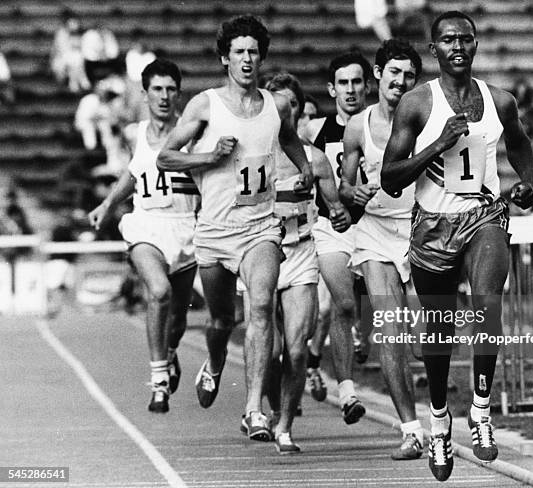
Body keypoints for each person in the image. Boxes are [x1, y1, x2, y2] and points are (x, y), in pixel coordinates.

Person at [381, 11, 533, 481]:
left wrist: (526, 182)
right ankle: (440, 421)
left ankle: (482, 412)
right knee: (441, 327)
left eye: (465, 39)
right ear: (434, 50)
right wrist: (438, 144)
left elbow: (520, 145)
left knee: (488, 304)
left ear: (474, 45)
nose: (457, 47)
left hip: (483, 214)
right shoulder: (416, 104)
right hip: (432, 224)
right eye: (447, 40)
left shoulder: (499, 101)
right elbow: (390, 179)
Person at [157, 15, 313, 442]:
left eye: (253, 52)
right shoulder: (205, 105)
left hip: (260, 227)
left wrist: (304, 169)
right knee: (222, 320)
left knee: (261, 305)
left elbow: (289, 139)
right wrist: (208, 158)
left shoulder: (276, 105)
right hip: (214, 230)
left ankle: (252, 411)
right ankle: (214, 363)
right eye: (239, 52)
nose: (246, 59)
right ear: (225, 58)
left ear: (261, 57)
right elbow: (166, 158)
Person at [241, 72, 351, 454]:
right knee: (268, 353)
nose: (283, 112)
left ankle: (286, 426)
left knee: (298, 348)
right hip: (258, 252)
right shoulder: (252, 156)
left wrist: (336, 212)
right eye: (276, 105)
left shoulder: (316, 159)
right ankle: (269, 409)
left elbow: (337, 210)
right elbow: (237, 206)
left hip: (300, 253)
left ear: (298, 112)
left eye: (290, 106)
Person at [88, 59, 199, 413]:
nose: (164, 96)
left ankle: (168, 352)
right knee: (159, 292)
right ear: (145, 93)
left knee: (179, 319)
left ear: (179, 93)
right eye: (157, 89)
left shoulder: (193, 132)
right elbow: (134, 175)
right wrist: (107, 205)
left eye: (170, 89)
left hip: (185, 227)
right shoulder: (136, 133)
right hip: (147, 223)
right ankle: (159, 380)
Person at [340, 38, 424, 460]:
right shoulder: (357, 126)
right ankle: (411, 431)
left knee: (427, 335)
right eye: (394, 72)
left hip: (419, 229)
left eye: (409, 75)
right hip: (375, 232)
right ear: (378, 75)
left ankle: (440, 420)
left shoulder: (424, 120)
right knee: (391, 331)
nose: (401, 81)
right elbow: (344, 188)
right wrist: (355, 191)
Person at [303, 50, 370, 423]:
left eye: (356, 82)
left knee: (367, 306)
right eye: (343, 83)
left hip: (375, 226)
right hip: (333, 228)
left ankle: (362, 335)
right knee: (341, 305)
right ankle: (347, 392)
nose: (350, 90)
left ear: (367, 86)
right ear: (331, 89)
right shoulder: (314, 132)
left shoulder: (379, 125)